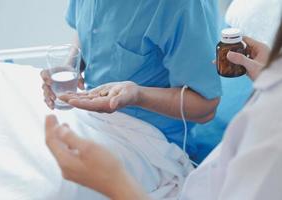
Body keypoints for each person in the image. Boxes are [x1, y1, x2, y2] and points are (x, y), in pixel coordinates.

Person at [45, 20, 282, 200]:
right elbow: (87, 28)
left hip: (142, 141)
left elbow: (205, 105)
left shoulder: (272, 135)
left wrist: (114, 183)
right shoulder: (271, 92)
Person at [41, 0, 222, 162]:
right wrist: (71, 66)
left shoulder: (180, 5)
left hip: (149, 142)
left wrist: (138, 95)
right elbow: (88, 28)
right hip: (92, 118)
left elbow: (206, 107)